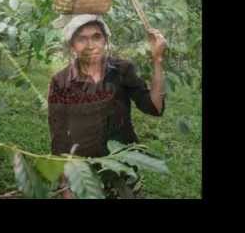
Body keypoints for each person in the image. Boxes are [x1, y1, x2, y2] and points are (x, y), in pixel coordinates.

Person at [48, 14, 167, 198]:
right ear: (72, 45)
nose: (90, 45)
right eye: (82, 39)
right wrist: (65, 185)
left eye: (96, 36)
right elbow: (59, 134)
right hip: (83, 171)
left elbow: (154, 107)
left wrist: (157, 60)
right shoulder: (61, 81)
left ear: (105, 40)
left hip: (122, 163)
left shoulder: (123, 70)